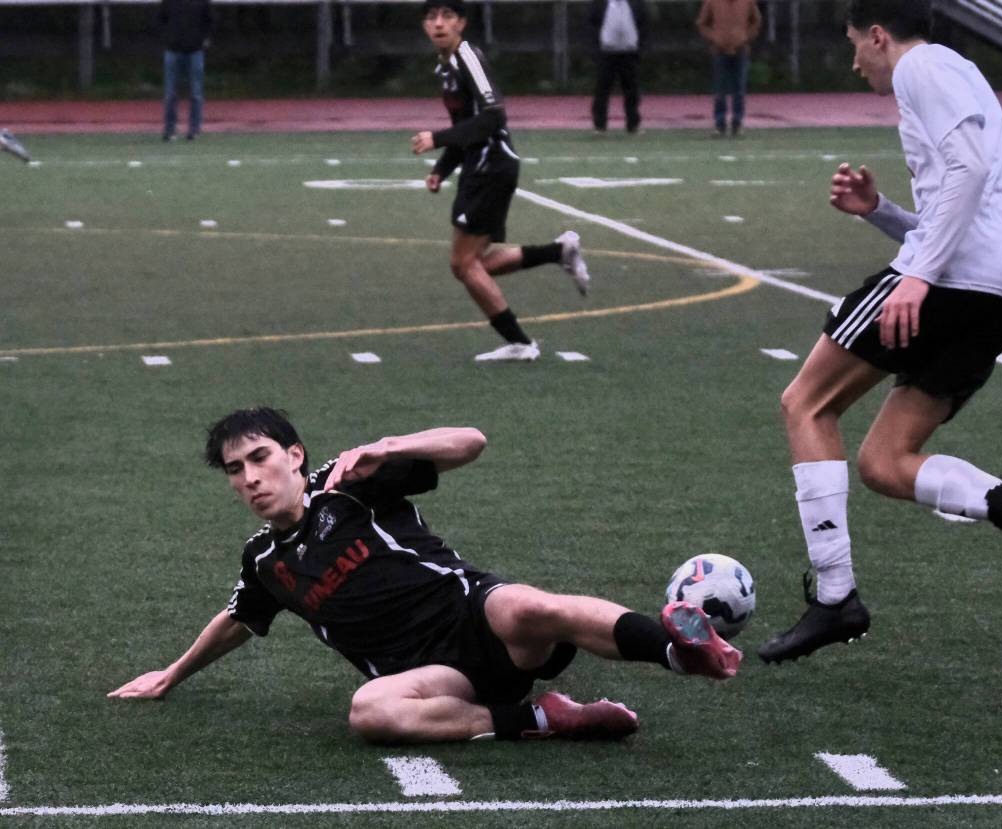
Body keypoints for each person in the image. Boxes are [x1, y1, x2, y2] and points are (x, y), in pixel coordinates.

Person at [109, 408, 741, 743]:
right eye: (233, 469)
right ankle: (547, 721)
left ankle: (680, 651)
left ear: (293, 455)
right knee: (369, 713)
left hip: (474, 612)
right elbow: (239, 620)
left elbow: (473, 441)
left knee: (525, 606)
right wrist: (171, 673)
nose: (249, 477)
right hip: (433, 679)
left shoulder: (349, 482)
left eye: (260, 457)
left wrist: (392, 446)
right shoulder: (265, 562)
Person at [759, 0, 1002, 664]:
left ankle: (835, 596)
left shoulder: (919, 68)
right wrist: (880, 213)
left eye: (856, 45)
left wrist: (917, 276)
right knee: (884, 463)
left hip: (950, 281)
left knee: (805, 403)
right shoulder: (959, 71)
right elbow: (963, 206)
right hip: (998, 294)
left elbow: (967, 173)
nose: (855, 61)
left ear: (879, 35)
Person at [411, 0, 591, 363]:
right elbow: (468, 125)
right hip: (482, 165)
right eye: (432, 17)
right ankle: (560, 252)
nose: (439, 23)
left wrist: (438, 139)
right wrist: (442, 169)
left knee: (464, 265)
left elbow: (493, 116)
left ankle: (521, 343)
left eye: (447, 16)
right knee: (475, 263)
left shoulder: (467, 57)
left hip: (490, 166)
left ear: (461, 22)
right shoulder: (445, 67)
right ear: (424, 25)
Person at [696, 0, 761, 138]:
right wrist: (714, 37)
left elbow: (756, 20)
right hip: (719, 51)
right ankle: (720, 125)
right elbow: (702, 23)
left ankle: (737, 124)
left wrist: (745, 36)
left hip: (741, 50)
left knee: (739, 89)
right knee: (720, 89)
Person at [588, 0, 648, 135]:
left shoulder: (637, 3)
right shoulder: (599, 3)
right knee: (602, 89)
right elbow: (591, 23)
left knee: (632, 90)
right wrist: (596, 46)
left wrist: (640, 46)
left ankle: (633, 125)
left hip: (629, 51)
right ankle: (599, 126)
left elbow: (644, 24)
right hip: (606, 52)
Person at [158, 0, 212, 141]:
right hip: (173, 49)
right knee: (170, 93)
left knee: (196, 93)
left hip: (195, 50)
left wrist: (204, 39)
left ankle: (194, 129)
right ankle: (170, 129)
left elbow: (208, 20)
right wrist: (167, 38)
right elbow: (161, 19)